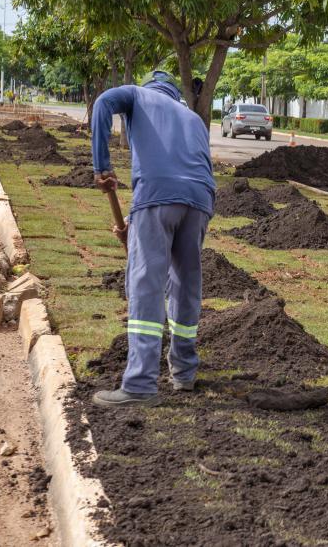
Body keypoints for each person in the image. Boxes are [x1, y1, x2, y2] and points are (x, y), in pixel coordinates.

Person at [90, 70, 216, 408]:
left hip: (158, 195)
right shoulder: (192, 117)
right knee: (185, 282)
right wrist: (134, 221)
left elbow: (102, 102)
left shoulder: (135, 95)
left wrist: (101, 167)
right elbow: (183, 170)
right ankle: (184, 372)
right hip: (201, 199)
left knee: (146, 283)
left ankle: (141, 383)